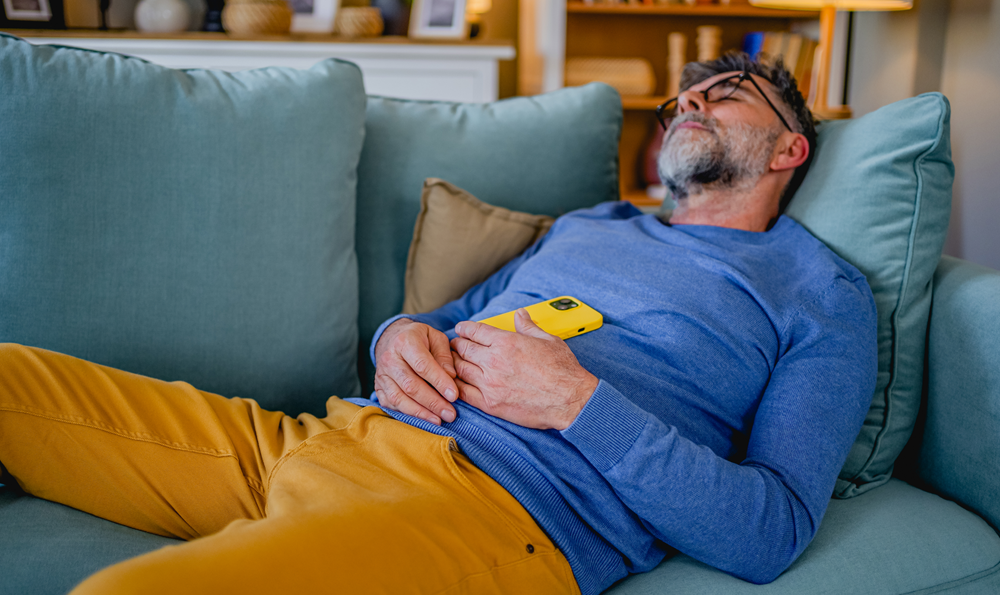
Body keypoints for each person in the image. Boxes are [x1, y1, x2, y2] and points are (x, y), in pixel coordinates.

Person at [0, 52, 877, 595]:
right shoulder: (591, 224)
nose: (691, 103)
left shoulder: (819, 291)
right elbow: (444, 317)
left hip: (488, 509)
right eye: (683, 98)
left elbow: (771, 531)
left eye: (725, 94)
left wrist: (580, 404)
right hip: (320, 437)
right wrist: (396, 337)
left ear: (790, 147)